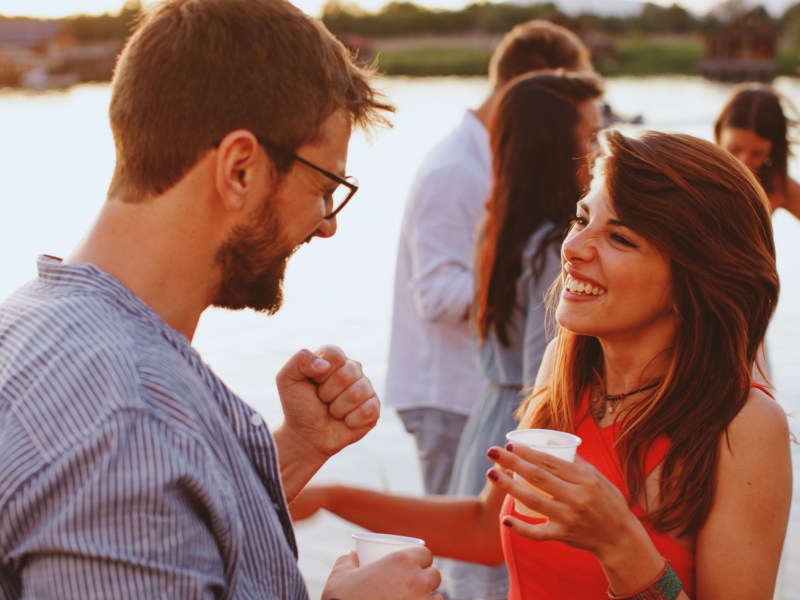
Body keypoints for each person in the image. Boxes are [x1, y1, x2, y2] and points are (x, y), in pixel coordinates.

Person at [0, 1, 442, 598]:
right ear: (239, 168)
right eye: (324, 188)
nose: (326, 224)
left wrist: (293, 452)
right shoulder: (129, 424)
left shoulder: (30, 323)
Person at [292, 130, 792, 598]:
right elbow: (487, 531)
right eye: (581, 219)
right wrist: (328, 495)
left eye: (620, 238)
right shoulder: (566, 368)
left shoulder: (744, 425)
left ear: (694, 279)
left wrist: (622, 545)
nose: (572, 249)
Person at [386, 19, 594, 496]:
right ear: (536, 92)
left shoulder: (490, 161)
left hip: (484, 384)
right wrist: (514, 266)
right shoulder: (455, 170)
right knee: (456, 550)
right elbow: (436, 297)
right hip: (449, 394)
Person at [439, 70, 603, 599]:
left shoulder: (498, 223)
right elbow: (549, 371)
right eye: (589, 136)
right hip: (532, 427)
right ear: (555, 146)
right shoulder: (555, 246)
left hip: (488, 418)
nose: (599, 149)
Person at [714, 82, 800, 219]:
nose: (744, 162)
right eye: (735, 148)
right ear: (719, 133)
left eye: (757, 153)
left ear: (773, 150)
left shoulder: (777, 186)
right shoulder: (692, 178)